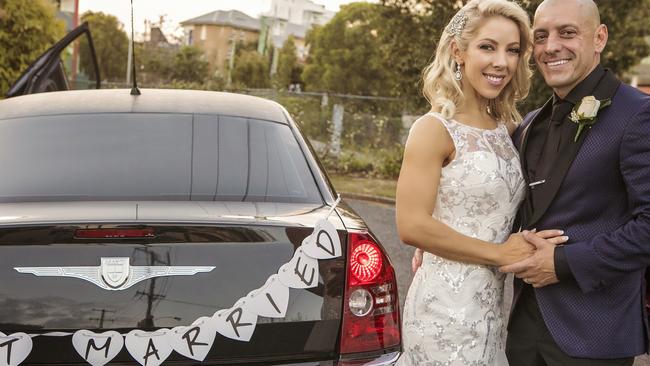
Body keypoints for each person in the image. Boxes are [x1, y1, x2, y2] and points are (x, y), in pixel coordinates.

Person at [395, 1, 567, 365]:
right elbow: (411, 225)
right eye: (487, 47)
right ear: (458, 51)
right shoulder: (433, 129)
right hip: (441, 307)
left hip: (490, 309)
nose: (502, 62)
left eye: (513, 50)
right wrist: (499, 253)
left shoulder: (510, 131)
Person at [496, 0, 650, 365]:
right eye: (541, 36)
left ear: (599, 37)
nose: (551, 47)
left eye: (567, 33)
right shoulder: (530, 124)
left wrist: (564, 263)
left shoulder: (639, 115)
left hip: (594, 333)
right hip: (522, 328)